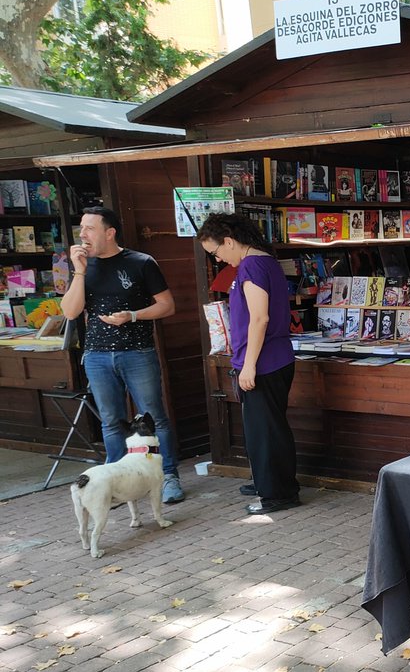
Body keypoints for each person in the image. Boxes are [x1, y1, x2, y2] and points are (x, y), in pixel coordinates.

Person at [61, 207, 185, 504]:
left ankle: (168, 477)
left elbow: (167, 306)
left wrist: (133, 315)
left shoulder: (141, 262)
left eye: (89, 228)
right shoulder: (83, 267)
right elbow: (70, 311)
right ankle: (115, 483)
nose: (83, 235)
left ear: (109, 232)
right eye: (81, 229)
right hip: (97, 355)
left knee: (154, 416)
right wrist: (78, 271)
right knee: (110, 420)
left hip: (137, 351)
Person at [196, 212, 301, 514]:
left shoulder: (252, 265)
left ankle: (276, 493)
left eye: (215, 252)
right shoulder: (264, 261)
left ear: (229, 241)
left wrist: (250, 365)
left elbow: (259, 318)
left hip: (264, 360)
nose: (217, 259)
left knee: (266, 430)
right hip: (273, 356)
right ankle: (268, 483)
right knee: (266, 427)